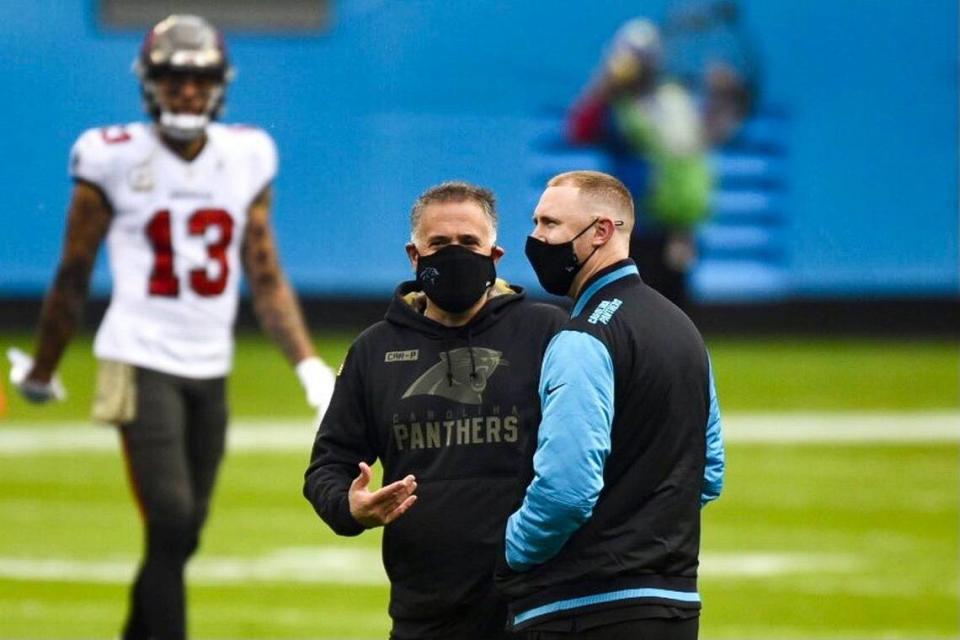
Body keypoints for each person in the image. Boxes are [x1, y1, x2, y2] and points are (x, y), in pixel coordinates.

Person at [7, 15, 336, 640]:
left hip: (210, 363)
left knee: (183, 532)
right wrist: (45, 369)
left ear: (220, 85)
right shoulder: (109, 155)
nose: (186, 91)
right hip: (137, 356)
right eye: (173, 78)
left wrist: (309, 366)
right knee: (171, 517)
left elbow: (263, 273)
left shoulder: (247, 154)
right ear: (149, 84)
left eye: (199, 78)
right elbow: (73, 270)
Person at [303, 181, 566, 640]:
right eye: (439, 243)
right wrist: (350, 506)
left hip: (539, 601)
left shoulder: (548, 332)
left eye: (469, 243)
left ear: (495, 255)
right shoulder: (375, 350)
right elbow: (328, 464)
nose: (454, 253)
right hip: (427, 605)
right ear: (414, 255)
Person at [495, 170, 725, 640]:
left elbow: (567, 489)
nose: (535, 238)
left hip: (583, 608)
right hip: (673, 605)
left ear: (601, 231)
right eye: (536, 222)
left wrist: (510, 549)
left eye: (550, 224)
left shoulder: (583, 338)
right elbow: (709, 470)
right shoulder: (682, 329)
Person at [568, 19, 712, 310]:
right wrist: (604, 84)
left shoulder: (666, 103)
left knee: (673, 304)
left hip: (670, 219)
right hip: (630, 223)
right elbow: (579, 129)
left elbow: (691, 158)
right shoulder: (620, 107)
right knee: (633, 303)